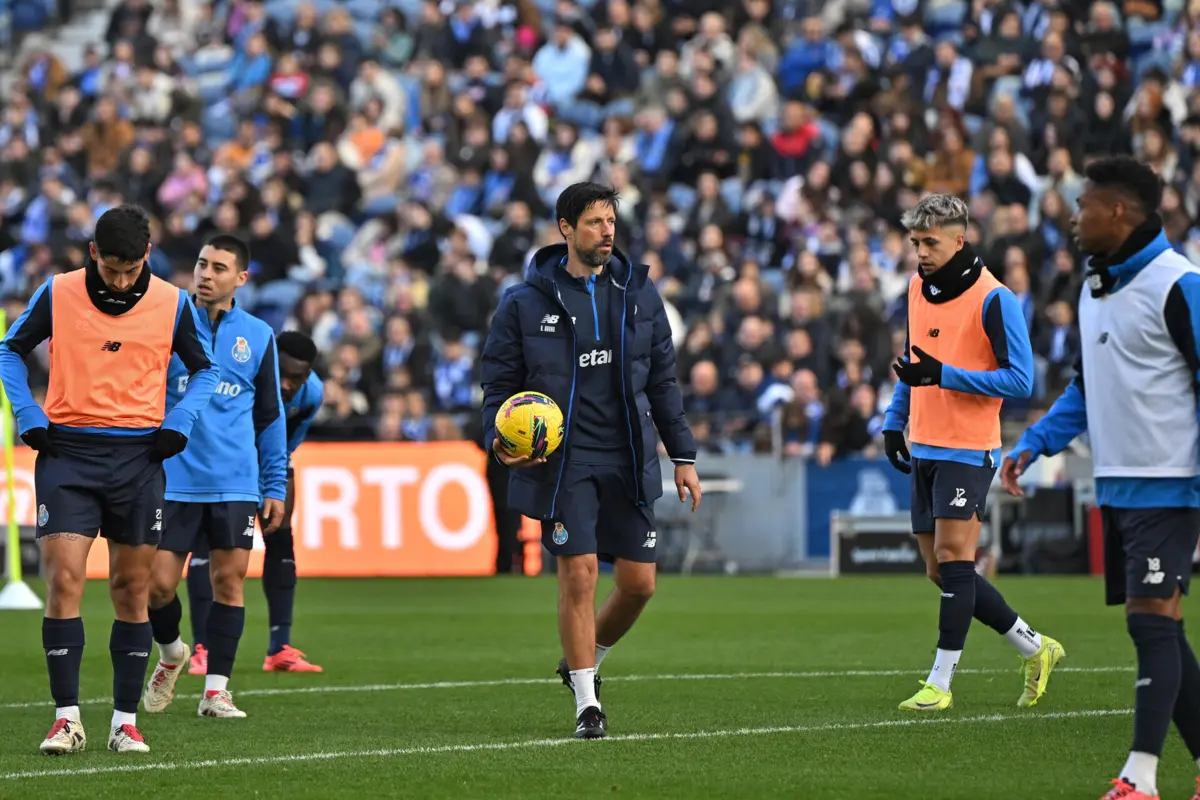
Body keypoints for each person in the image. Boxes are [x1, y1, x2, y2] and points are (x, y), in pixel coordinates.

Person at [1002, 156, 1200, 800]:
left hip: (1171, 485)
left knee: (1149, 620)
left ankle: (1139, 778)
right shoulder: (1093, 290)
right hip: (1118, 485)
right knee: (1161, 624)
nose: (1072, 215)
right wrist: (1032, 443)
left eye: (1083, 204)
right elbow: (1089, 390)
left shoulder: (1180, 285)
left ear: (1119, 211)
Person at [480, 182, 702, 740]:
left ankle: (583, 657)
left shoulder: (640, 293)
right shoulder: (523, 302)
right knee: (578, 574)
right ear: (565, 228)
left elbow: (663, 381)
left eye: (611, 221)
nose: (607, 231)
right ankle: (587, 701)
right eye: (595, 222)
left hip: (629, 455)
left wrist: (683, 455)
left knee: (639, 585)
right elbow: (498, 385)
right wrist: (498, 438)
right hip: (564, 461)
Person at [0, 205, 219, 755]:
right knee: (65, 581)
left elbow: (206, 370)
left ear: (147, 256)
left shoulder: (171, 302)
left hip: (138, 458)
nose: (121, 281)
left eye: (132, 269)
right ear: (93, 253)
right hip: (67, 452)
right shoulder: (58, 291)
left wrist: (179, 421)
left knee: (130, 589)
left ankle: (124, 722)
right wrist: (27, 413)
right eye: (112, 268)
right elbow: (9, 350)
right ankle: (66, 721)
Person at [881, 193, 1065, 713]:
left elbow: (1021, 380)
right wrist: (895, 420)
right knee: (941, 572)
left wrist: (943, 375)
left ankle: (939, 683)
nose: (920, 252)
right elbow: (914, 361)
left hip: (968, 448)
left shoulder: (995, 298)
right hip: (924, 443)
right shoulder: (918, 287)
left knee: (954, 560)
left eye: (930, 242)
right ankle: (1036, 647)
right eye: (916, 242)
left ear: (960, 239)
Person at [141, 234, 287, 719]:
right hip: (174, 478)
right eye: (202, 264)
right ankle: (171, 654)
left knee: (230, 581)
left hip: (235, 481)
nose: (205, 274)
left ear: (240, 278)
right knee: (157, 586)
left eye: (219, 268)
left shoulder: (259, 336)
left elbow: (270, 417)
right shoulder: (164, 322)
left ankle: (216, 691)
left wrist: (274, 485)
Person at [181, 331, 325, 675]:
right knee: (208, 545)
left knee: (282, 539)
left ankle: (280, 648)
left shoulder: (313, 394)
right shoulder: (241, 376)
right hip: (224, 465)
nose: (288, 385)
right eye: (282, 375)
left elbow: (288, 443)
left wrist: (273, 480)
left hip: (268, 463)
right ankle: (202, 647)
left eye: (298, 378)